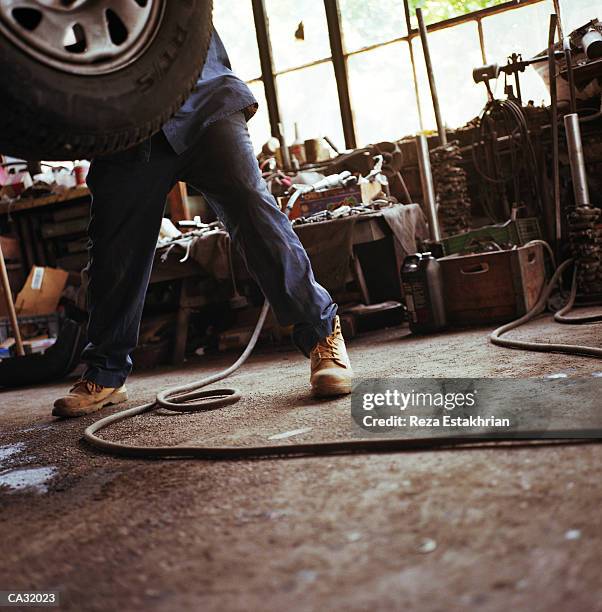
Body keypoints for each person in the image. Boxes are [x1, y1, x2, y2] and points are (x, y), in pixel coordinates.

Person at [53, 30, 353, 418]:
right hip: (124, 125)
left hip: (203, 97)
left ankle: (321, 335)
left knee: (253, 209)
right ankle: (105, 373)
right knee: (115, 247)